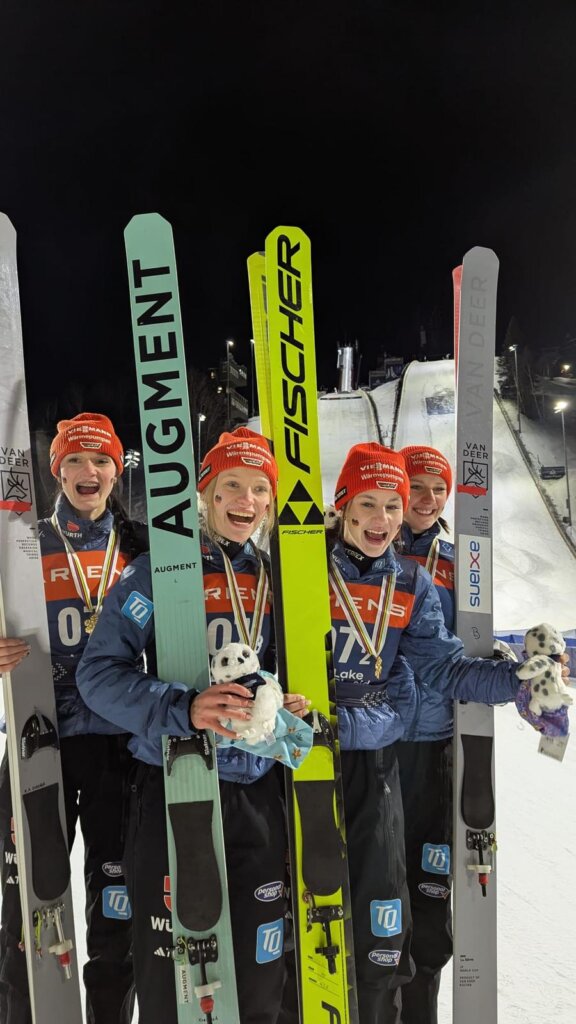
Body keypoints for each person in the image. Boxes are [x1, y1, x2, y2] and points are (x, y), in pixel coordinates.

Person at [315, 442, 566, 1024]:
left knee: (407, 906)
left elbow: (449, 660)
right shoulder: (309, 561)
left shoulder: (429, 572)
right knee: (329, 901)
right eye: (373, 502)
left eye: (402, 501)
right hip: (331, 750)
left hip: (416, 742)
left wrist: (514, 678)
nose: (399, 510)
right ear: (346, 504)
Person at [76, 427, 309, 1024]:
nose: (247, 500)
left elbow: (289, 669)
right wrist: (183, 708)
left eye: (260, 488)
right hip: (174, 785)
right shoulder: (159, 572)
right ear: (205, 494)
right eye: (232, 485)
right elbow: (98, 675)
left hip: (256, 791)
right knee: (173, 982)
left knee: (260, 982)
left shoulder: (280, 578)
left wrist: (286, 703)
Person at [0, 412, 147, 1024]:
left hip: (118, 745)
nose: (90, 471)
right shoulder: (21, 541)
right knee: (27, 906)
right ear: (56, 470)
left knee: (117, 906)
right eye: (76, 460)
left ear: (117, 470)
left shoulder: (141, 546)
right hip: (42, 739)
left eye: (102, 460)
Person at [395, 444, 456, 1024]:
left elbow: (467, 643)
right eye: (417, 485)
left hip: (432, 741)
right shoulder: (362, 548)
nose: (428, 499)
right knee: (374, 885)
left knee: (429, 892)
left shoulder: (459, 560)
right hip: (374, 741)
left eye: (439, 489)